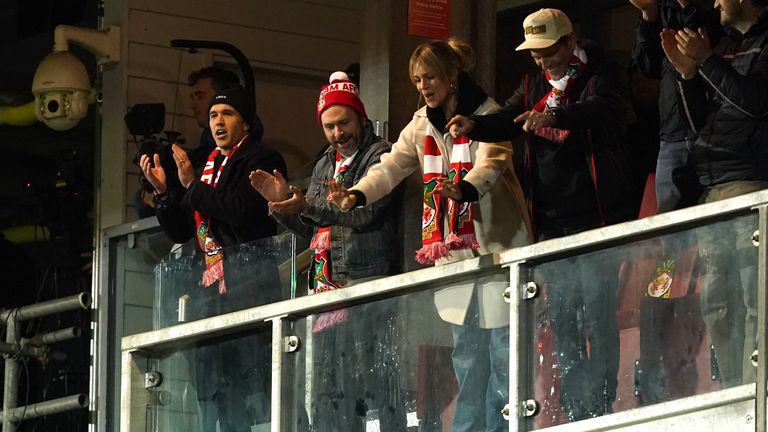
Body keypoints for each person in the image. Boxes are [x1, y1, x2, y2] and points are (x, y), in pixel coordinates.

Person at [330, 38, 531, 432]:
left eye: (430, 77)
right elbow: (390, 167)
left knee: (504, 354)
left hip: (499, 249)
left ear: (453, 76)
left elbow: (494, 160)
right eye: (417, 80)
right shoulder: (421, 122)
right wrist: (356, 194)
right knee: (468, 358)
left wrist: (465, 188)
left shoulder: (488, 114)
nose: (423, 86)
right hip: (453, 257)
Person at [447, 8, 635, 421]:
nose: (540, 60)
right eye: (534, 53)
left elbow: (602, 109)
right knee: (564, 319)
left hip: (596, 217)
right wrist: (473, 126)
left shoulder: (603, 73)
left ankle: (601, 407)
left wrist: (555, 115)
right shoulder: (533, 83)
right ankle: (576, 407)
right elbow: (508, 119)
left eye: (547, 51)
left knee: (598, 315)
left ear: (571, 42)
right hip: (550, 221)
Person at [249, 71, 405, 430]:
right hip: (326, 288)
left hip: (367, 281)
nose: (338, 133)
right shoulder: (324, 164)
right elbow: (314, 228)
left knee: (374, 382)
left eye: (344, 122)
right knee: (330, 389)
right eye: (329, 127)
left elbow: (364, 213)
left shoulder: (380, 156)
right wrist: (284, 207)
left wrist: (307, 205)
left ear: (361, 117)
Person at [139, 85, 286, 431]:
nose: (218, 122)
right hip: (210, 300)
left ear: (246, 122)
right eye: (213, 116)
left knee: (258, 395)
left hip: (249, 295)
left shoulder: (262, 159)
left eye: (228, 114)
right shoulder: (209, 166)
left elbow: (239, 212)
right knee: (215, 398)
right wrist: (164, 193)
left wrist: (191, 187)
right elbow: (180, 233)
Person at [661, 0, 768, 386]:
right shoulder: (722, 46)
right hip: (713, 188)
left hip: (752, 184)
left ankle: (757, 400)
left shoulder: (761, 43)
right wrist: (687, 76)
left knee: (756, 302)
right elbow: (696, 128)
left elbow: (756, 105)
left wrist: (706, 62)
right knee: (719, 305)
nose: (716, 3)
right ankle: (734, 396)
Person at [631, 0, 722, 212]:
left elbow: (713, 40)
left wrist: (689, 6)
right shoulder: (665, 10)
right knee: (671, 228)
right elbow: (647, 68)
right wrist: (648, 14)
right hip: (672, 134)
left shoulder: (719, 7)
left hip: (714, 132)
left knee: (714, 219)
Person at [187, 66, 264, 169]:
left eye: (200, 96)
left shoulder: (251, 156)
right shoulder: (208, 135)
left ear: (223, 96)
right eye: (192, 98)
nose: (193, 105)